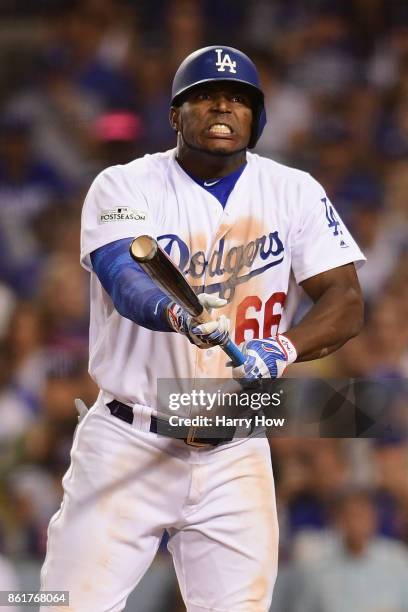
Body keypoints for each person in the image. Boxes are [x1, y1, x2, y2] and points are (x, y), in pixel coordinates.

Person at [40, 46, 365, 612]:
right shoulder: (125, 184)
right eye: (205, 95)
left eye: (239, 98)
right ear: (174, 115)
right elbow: (123, 274)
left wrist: (284, 348)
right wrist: (175, 313)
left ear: (257, 117)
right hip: (129, 440)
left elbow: (346, 300)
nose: (222, 105)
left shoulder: (294, 191)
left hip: (235, 448)